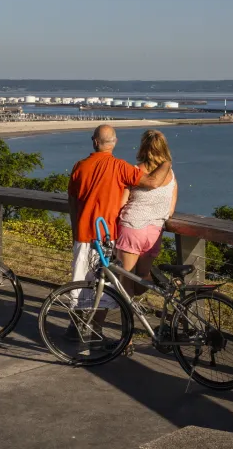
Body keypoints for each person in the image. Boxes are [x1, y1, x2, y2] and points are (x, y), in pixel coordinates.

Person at [66, 125, 172, 347]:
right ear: (114, 142)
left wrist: (76, 228)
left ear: (94, 141)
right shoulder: (120, 167)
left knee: (80, 280)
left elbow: (73, 201)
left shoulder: (79, 166)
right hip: (107, 234)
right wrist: (166, 163)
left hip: (84, 233)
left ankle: (75, 326)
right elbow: (152, 182)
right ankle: (96, 329)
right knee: (105, 284)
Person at [116, 130, 177, 354]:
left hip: (132, 229)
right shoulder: (170, 175)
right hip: (154, 232)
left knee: (126, 286)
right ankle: (163, 283)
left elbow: (121, 203)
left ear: (143, 147)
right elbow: (170, 208)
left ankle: (127, 338)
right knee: (142, 280)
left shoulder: (135, 172)